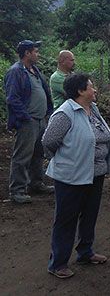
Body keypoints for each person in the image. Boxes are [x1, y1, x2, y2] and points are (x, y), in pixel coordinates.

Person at [42, 73, 110, 279]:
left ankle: (85, 252)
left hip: (95, 174)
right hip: (70, 176)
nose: (94, 89)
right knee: (66, 219)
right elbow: (48, 142)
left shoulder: (93, 110)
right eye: (91, 86)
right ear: (81, 91)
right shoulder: (65, 113)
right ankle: (58, 263)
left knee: (89, 215)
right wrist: (67, 160)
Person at [5, 39, 54, 204]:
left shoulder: (34, 70)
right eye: (35, 51)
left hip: (39, 119)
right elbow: (12, 99)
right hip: (29, 121)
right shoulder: (16, 72)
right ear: (27, 53)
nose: (37, 54)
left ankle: (36, 183)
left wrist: (47, 111)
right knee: (22, 155)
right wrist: (26, 117)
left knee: (38, 153)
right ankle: (17, 190)